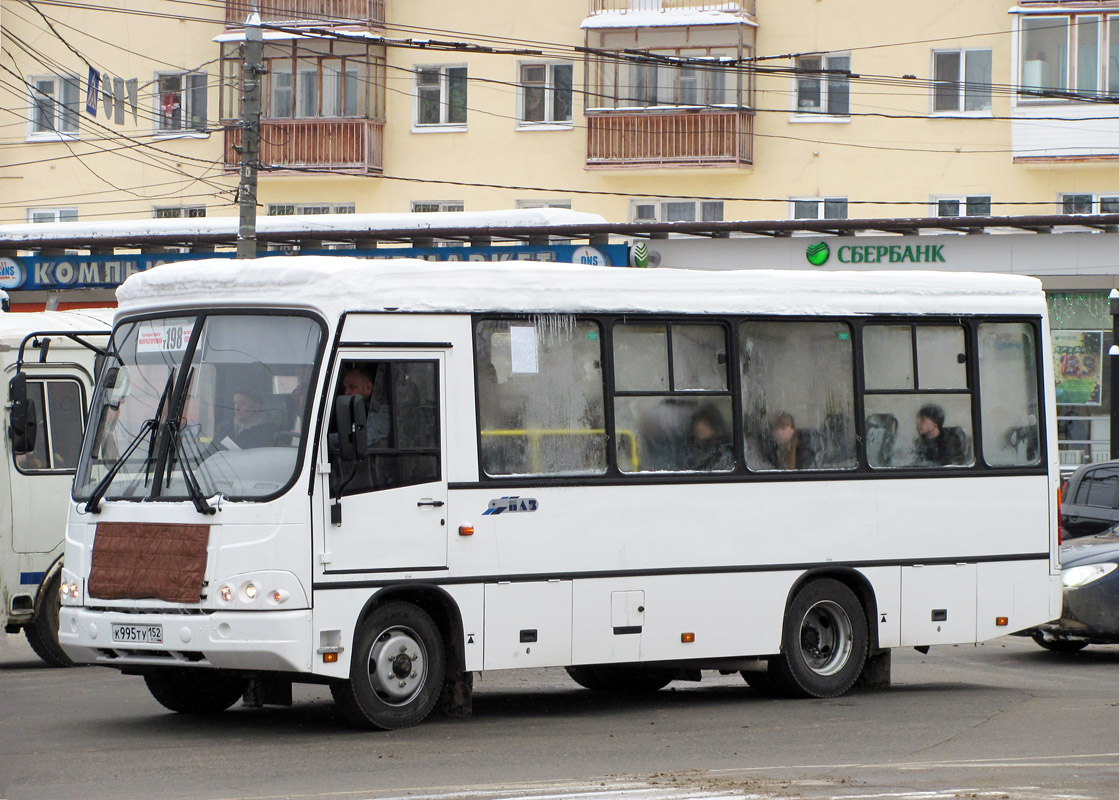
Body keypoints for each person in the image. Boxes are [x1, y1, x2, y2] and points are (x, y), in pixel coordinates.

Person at [342, 364, 391, 447]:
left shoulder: (385, 412)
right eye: (345, 388)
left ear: (368, 388)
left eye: (352, 387)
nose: (347, 392)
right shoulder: (360, 407)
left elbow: (362, 439)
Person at [215, 388, 280, 449]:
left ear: (257, 406)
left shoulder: (268, 432)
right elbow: (209, 453)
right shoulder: (225, 427)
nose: (237, 408)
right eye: (235, 403)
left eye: (243, 403)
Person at [685, 403, 733, 470]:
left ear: (714, 426)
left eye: (706, 425)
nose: (701, 429)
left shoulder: (723, 449)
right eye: (698, 426)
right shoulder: (693, 448)